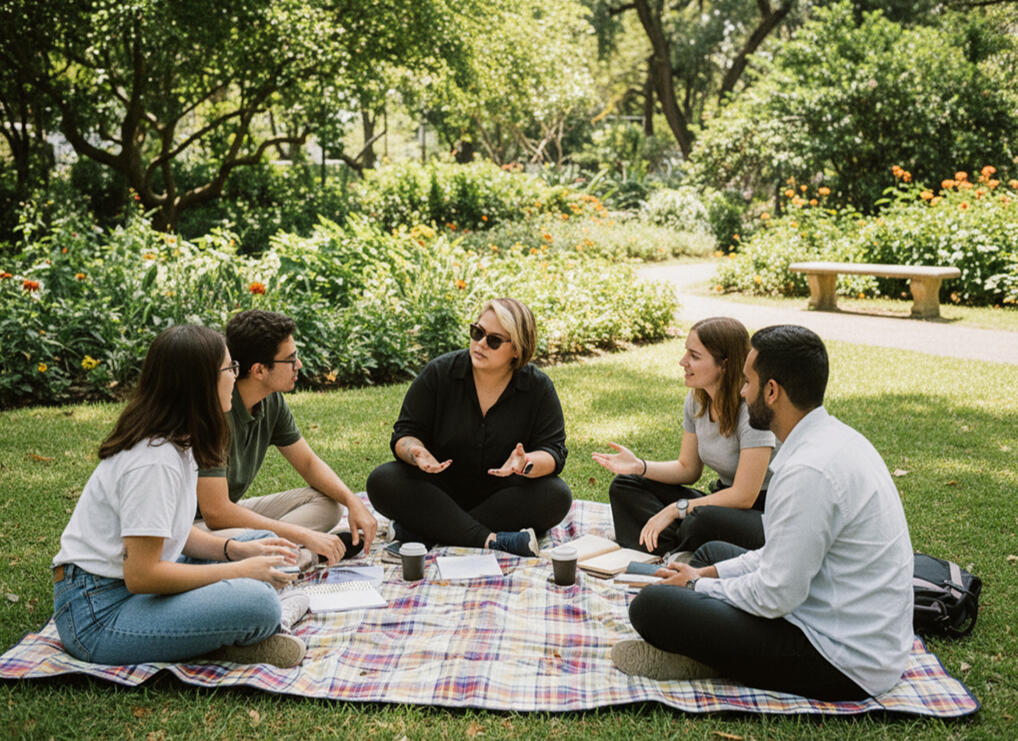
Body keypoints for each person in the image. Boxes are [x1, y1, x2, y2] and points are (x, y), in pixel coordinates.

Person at [611, 325, 914, 701]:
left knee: (653, 606)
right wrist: (704, 574)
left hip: (840, 659)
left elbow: (775, 596)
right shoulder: (836, 439)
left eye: (747, 382)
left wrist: (695, 586)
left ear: (772, 391)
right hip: (841, 621)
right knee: (713, 556)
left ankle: (707, 659)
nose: (741, 392)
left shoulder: (807, 472)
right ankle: (714, 643)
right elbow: (778, 555)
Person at [52, 325, 309, 667]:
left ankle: (218, 631)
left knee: (266, 546)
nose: (236, 376)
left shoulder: (180, 440)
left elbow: (173, 531)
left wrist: (235, 550)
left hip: (136, 588)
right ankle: (237, 631)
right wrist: (238, 571)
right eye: (230, 368)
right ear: (200, 383)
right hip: (99, 613)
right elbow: (142, 575)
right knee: (258, 603)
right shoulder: (153, 461)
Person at [366, 298, 572, 556]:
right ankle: (492, 540)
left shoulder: (538, 387)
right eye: (477, 332)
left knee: (556, 495)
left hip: (502, 496)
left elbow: (553, 452)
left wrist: (526, 463)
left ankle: (428, 530)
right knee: (382, 480)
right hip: (439, 490)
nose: (481, 343)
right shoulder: (440, 373)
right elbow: (405, 433)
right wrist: (415, 452)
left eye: (494, 340)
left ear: (517, 349)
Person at [196, 310, 377, 566]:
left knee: (328, 504)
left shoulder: (271, 400)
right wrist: (303, 534)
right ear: (259, 370)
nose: (298, 365)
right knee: (236, 542)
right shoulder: (217, 409)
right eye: (291, 359)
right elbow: (215, 513)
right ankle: (298, 554)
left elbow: (308, 464)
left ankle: (275, 551)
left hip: (232, 516)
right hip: (195, 529)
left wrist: (352, 501)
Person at [594, 317, 776, 555]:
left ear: (725, 364)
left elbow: (744, 496)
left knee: (699, 520)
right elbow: (688, 469)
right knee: (626, 484)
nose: (683, 361)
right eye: (686, 352)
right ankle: (671, 548)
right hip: (723, 502)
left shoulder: (753, 410)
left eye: (695, 356)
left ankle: (666, 546)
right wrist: (639, 466)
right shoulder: (697, 399)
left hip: (763, 514)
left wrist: (675, 509)